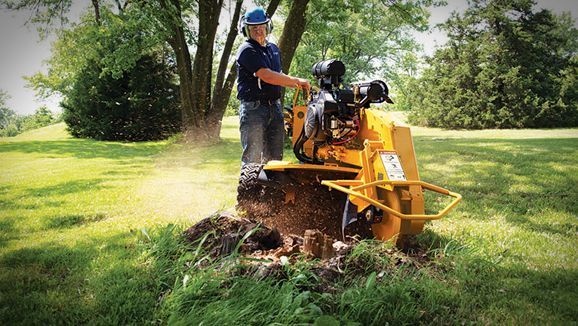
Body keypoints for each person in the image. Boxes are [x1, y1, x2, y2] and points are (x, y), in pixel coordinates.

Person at [236, 7, 310, 165]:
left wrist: (296, 84)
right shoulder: (246, 50)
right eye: (253, 28)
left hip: (275, 108)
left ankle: (272, 190)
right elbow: (267, 75)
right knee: (253, 157)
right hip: (254, 109)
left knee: (275, 158)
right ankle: (249, 190)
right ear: (246, 31)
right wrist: (296, 81)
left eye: (261, 27)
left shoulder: (273, 49)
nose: (258, 31)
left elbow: (279, 75)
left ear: (268, 27)